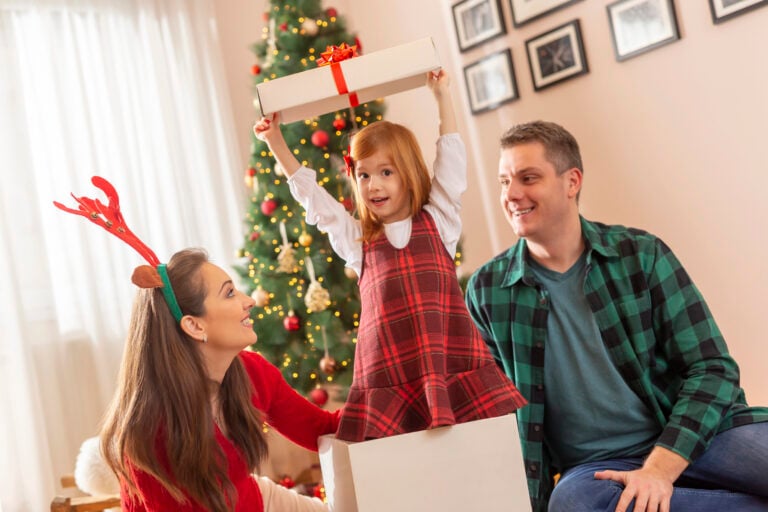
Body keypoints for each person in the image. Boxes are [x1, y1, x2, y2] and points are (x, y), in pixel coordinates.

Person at [464, 120, 768, 512]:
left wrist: (659, 469)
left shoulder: (640, 255)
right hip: (600, 471)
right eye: (505, 181)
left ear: (571, 181)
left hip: (695, 438)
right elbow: (491, 418)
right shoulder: (488, 291)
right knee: (573, 502)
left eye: (528, 177)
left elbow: (713, 369)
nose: (512, 194)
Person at [253, 70, 527, 442]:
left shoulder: (439, 219)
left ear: (409, 173)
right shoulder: (357, 241)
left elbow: (450, 159)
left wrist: (441, 94)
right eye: (363, 175)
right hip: (386, 379)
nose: (374, 185)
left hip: (445, 362)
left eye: (385, 172)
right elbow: (314, 199)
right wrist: (274, 141)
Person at [54, 179, 338, 512]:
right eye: (230, 293)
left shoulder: (251, 372)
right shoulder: (151, 430)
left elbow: (323, 430)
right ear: (194, 325)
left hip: (256, 498)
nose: (248, 301)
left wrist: (396, 407)